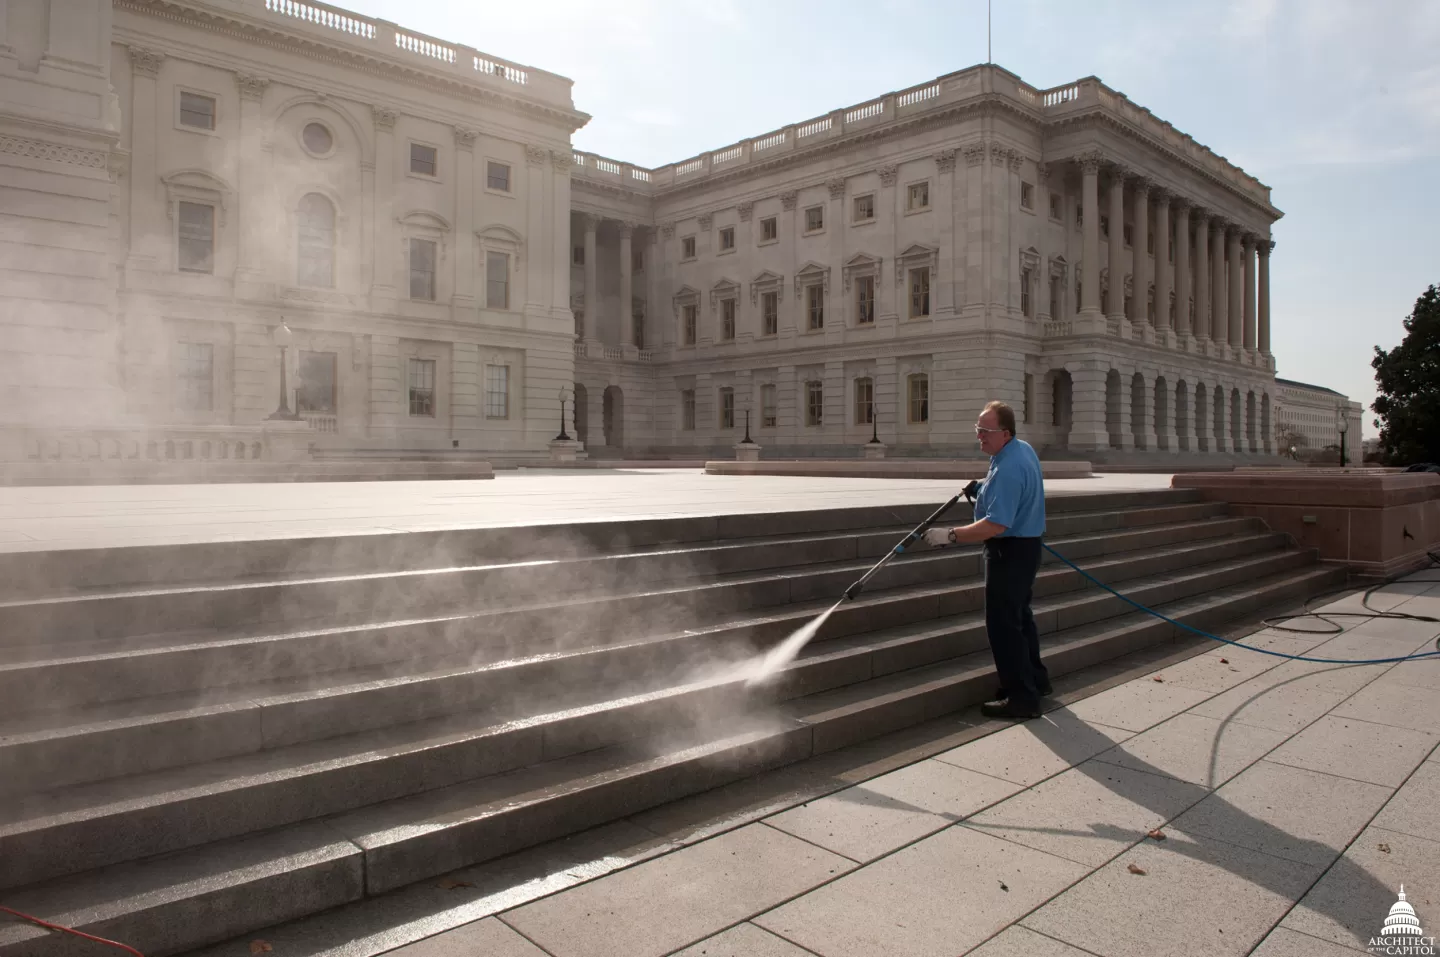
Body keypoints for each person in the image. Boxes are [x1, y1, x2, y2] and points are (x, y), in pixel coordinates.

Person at [922, 400, 1049, 720]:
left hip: (1009, 551)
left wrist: (949, 535)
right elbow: (1009, 494)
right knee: (1020, 618)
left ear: (1005, 433)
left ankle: (1021, 697)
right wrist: (983, 487)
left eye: (985, 431)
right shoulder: (1020, 451)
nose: (979, 436)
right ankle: (1035, 681)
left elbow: (995, 525)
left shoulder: (1007, 467)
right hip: (1027, 547)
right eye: (977, 430)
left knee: (1004, 626)